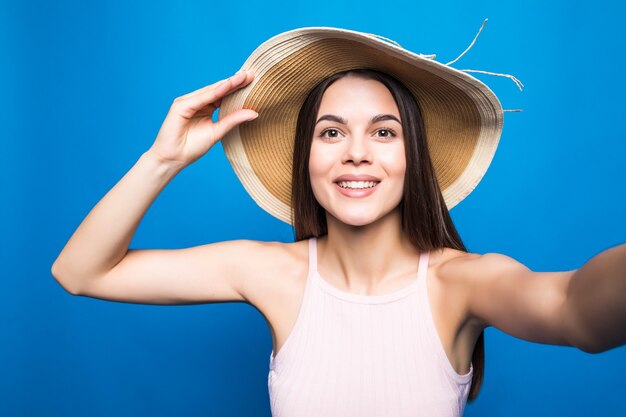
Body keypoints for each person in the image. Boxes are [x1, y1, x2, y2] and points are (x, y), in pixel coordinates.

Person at [51, 26, 626, 417]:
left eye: (383, 131)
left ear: (412, 158)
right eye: (332, 132)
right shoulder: (270, 272)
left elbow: (576, 311)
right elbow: (82, 272)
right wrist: (162, 160)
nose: (356, 152)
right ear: (308, 157)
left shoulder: (461, 283)